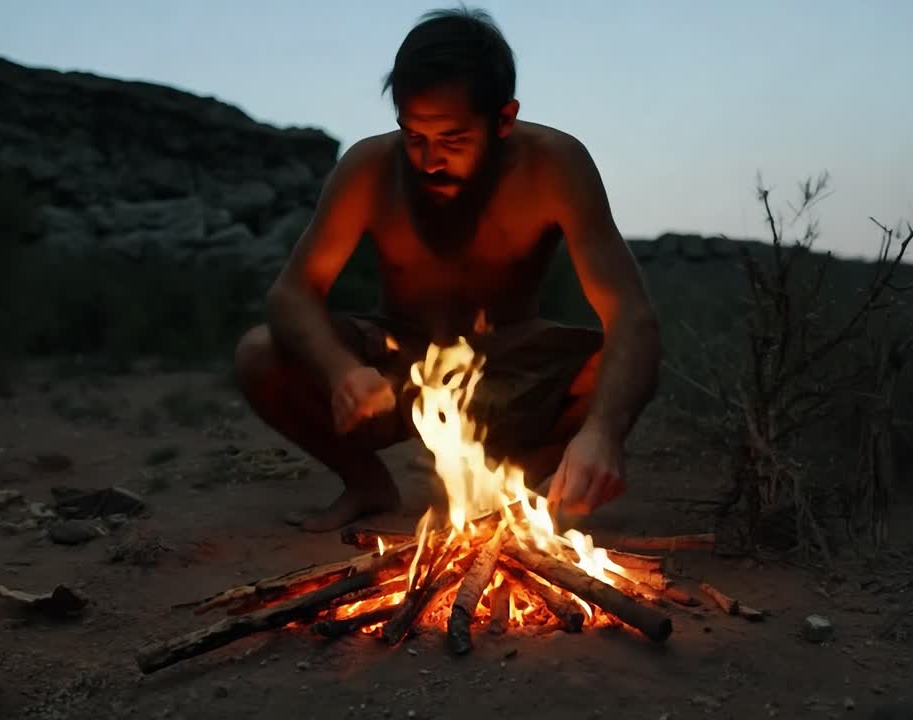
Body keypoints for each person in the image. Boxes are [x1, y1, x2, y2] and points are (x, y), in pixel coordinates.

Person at [236, 6, 661, 532]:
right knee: (260, 353)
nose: (429, 160)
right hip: (396, 364)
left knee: (619, 362)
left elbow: (631, 316)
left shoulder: (556, 165)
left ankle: (506, 497)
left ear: (504, 119)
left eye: (453, 141)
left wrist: (604, 432)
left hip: (508, 369)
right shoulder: (369, 168)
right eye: (414, 137)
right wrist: (341, 370)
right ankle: (366, 484)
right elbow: (291, 294)